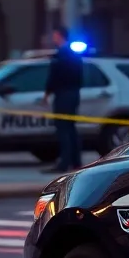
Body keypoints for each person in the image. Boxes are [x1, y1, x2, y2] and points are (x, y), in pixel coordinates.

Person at [41, 26, 83, 173]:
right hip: (73, 94)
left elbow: (54, 76)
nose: (53, 38)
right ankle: (76, 161)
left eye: (55, 35)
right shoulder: (74, 55)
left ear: (60, 36)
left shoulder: (61, 55)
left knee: (64, 129)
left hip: (63, 95)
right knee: (70, 128)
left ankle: (64, 162)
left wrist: (47, 93)